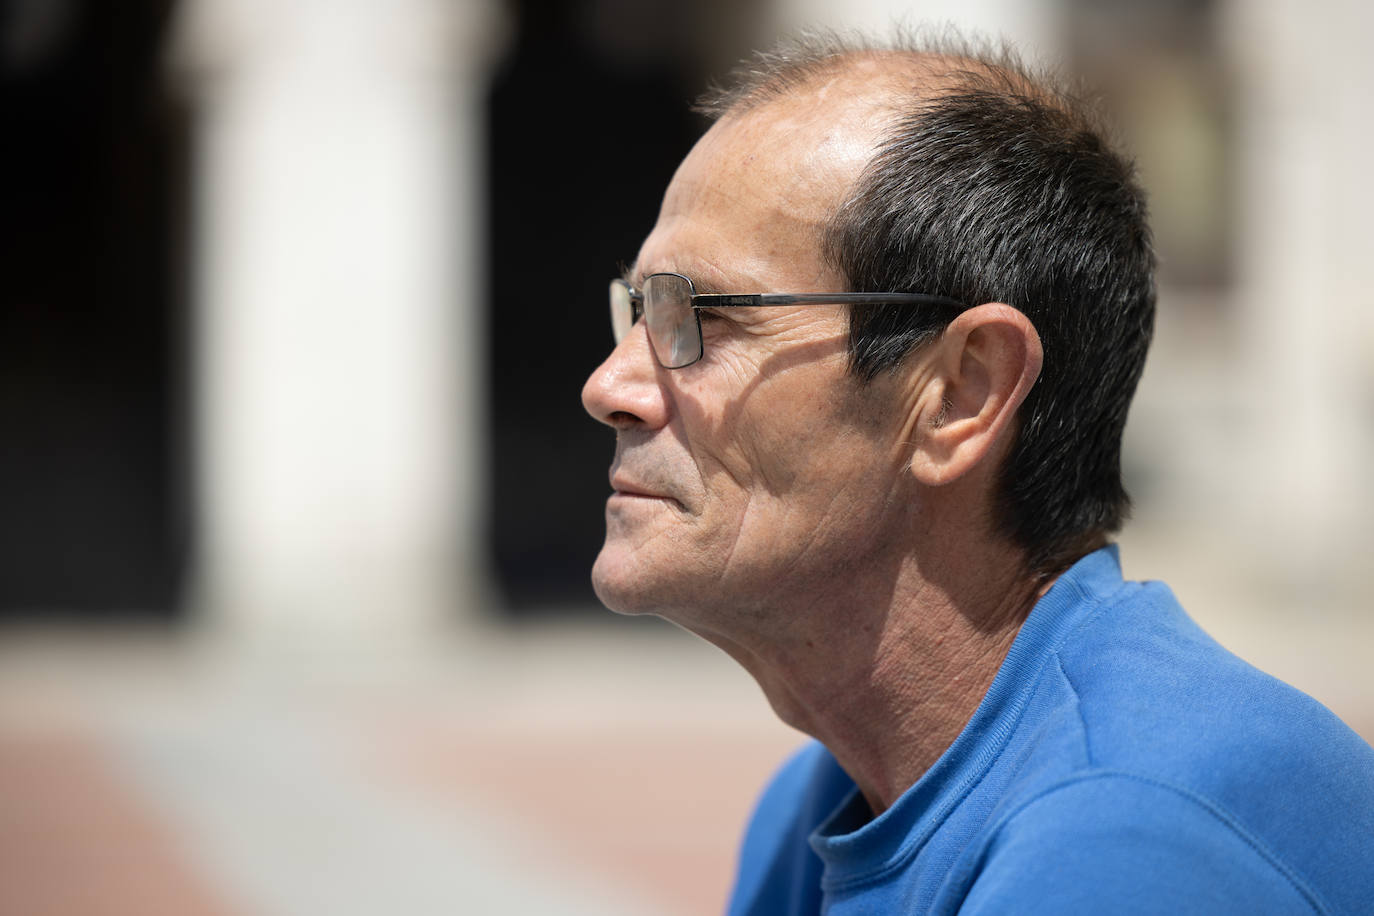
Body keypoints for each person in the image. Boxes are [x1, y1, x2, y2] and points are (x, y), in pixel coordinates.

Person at [580, 30, 1374, 915]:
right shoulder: (816, 813)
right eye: (636, 309)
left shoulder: (1128, 841)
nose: (610, 387)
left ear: (962, 393)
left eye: (699, 316)